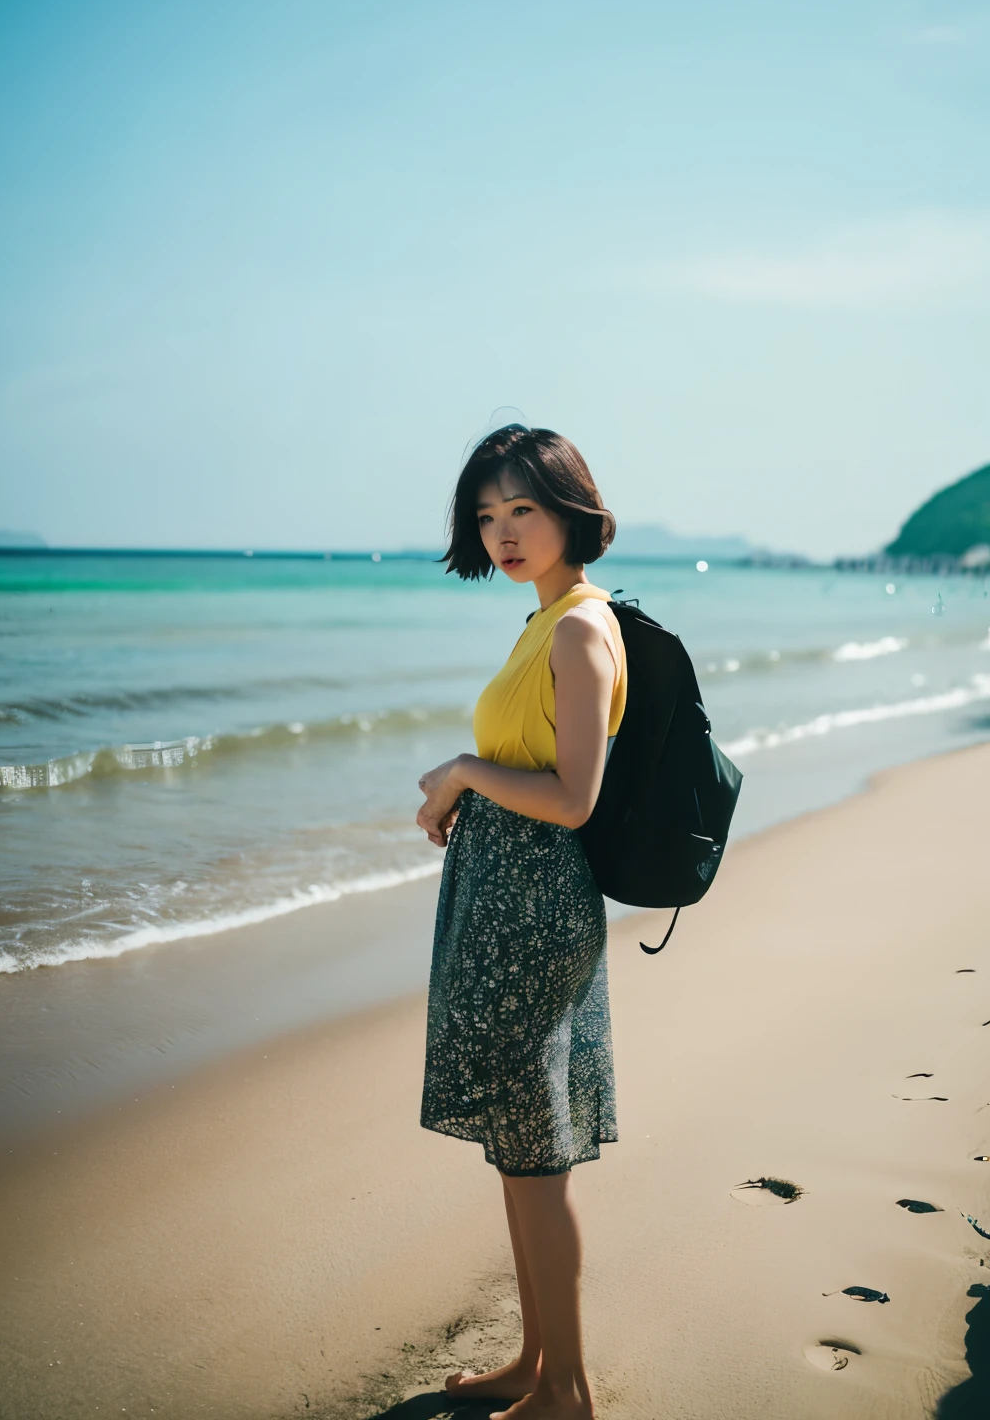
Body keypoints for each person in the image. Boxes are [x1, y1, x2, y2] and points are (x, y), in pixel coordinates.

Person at [416, 423, 627, 1420]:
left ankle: (569, 1391)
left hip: (535, 913)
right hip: (505, 899)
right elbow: (534, 766)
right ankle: (535, 1362)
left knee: (536, 1155)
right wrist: (468, 795)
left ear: (568, 509)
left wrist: (461, 772)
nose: (501, 532)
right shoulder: (545, 619)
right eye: (487, 515)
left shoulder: (581, 628)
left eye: (522, 510)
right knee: (517, 1147)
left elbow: (575, 796)